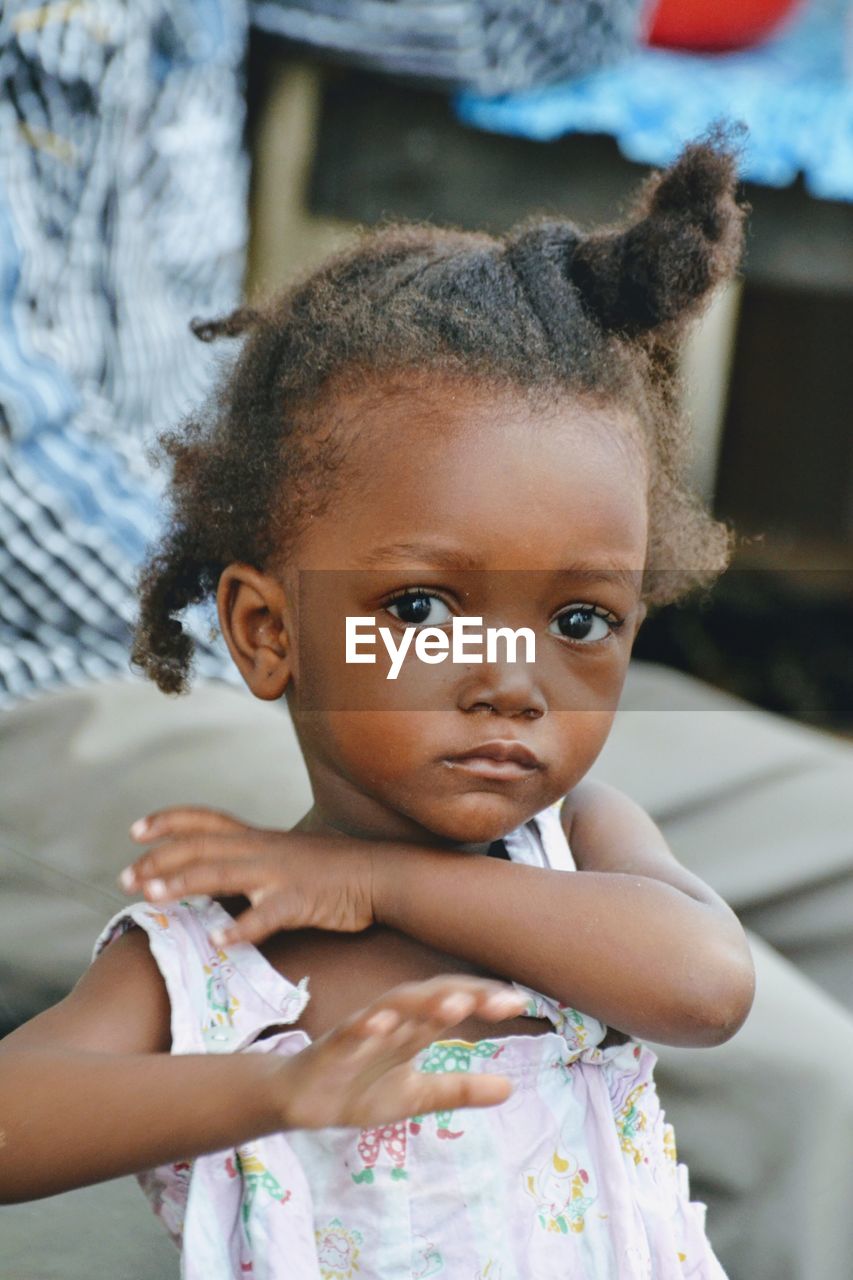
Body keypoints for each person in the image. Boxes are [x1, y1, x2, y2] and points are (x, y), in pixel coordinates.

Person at [0, 137, 759, 1277]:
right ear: (266, 632)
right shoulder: (216, 956)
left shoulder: (583, 846)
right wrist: (274, 1082)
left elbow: (706, 986)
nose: (512, 675)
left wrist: (378, 881)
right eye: (422, 605)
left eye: (580, 621)